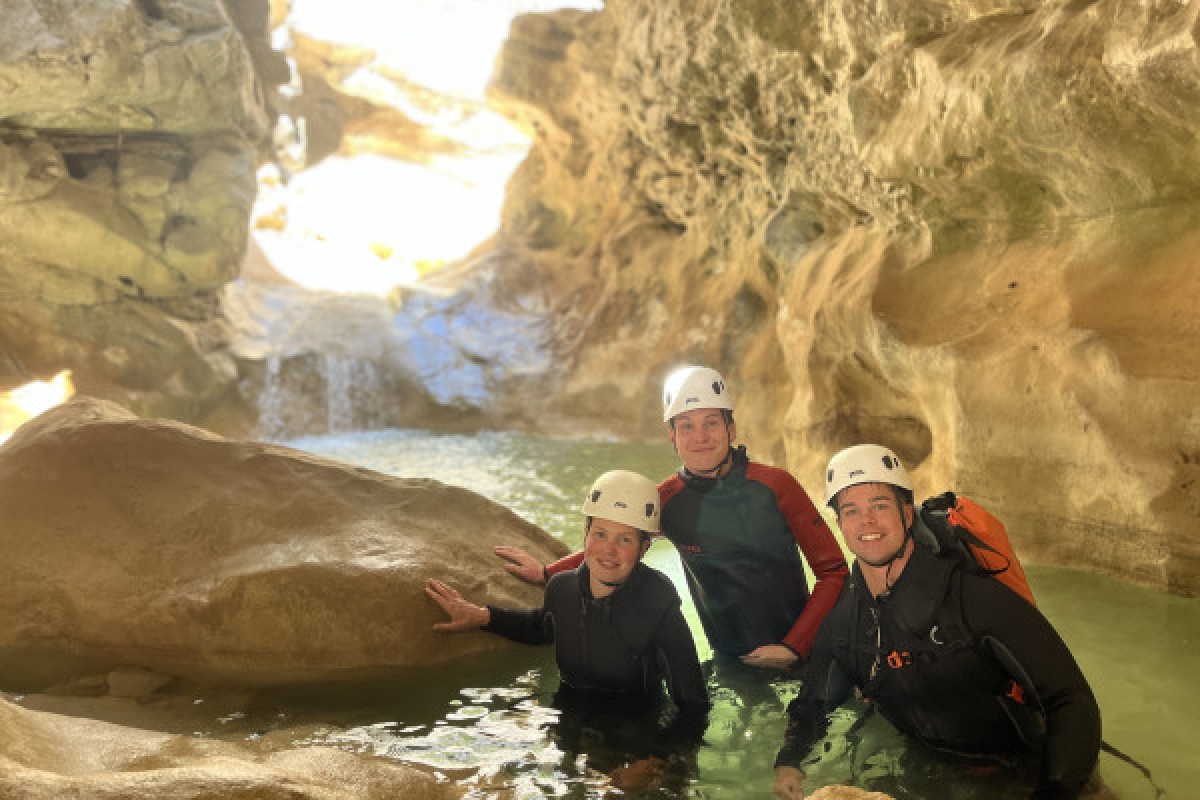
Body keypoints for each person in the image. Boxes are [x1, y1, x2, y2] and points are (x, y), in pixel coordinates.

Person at [773, 444, 1102, 800]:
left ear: (907, 514)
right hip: (929, 773)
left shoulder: (972, 598)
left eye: (879, 506)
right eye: (851, 511)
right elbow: (813, 702)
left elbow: (1071, 701)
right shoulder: (846, 623)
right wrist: (790, 762)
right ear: (840, 524)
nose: (866, 521)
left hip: (1025, 769)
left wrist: (1054, 791)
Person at [495, 365, 848, 670]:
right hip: (730, 661)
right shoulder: (664, 500)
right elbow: (616, 544)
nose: (700, 437)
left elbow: (834, 571)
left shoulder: (776, 486)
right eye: (687, 426)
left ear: (731, 429)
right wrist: (546, 573)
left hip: (804, 655)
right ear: (672, 436)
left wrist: (793, 647)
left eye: (711, 423)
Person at [426, 469, 710, 715]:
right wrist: (483, 617)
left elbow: (693, 702)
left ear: (644, 548)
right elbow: (542, 627)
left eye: (624, 539)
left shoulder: (658, 605)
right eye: (600, 534)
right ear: (585, 534)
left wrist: (661, 759)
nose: (608, 550)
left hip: (636, 731)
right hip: (568, 720)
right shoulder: (562, 588)